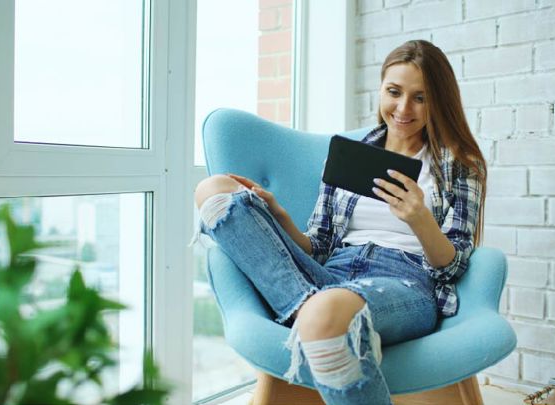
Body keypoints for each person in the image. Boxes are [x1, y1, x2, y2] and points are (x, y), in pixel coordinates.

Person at [191, 39, 486, 405]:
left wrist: (420, 219)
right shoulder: (351, 155)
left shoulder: (459, 165)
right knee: (215, 189)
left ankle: (311, 315)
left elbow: (453, 265)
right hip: (333, 272)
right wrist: (280, 216)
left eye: (420, 97)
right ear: (381, 89)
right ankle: (309, 311)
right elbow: (321, 244)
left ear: (438, 101)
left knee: (326, 309)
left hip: (405, 281)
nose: (403, 108)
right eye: (394, 92)